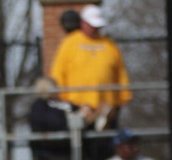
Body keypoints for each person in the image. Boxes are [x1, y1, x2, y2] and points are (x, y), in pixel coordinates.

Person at [48, 5, 131, 140]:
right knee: (82, 144)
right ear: (83, 23)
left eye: (97, 26)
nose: (95, 29)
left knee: (105, 143)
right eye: (92, 25)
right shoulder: (70, 43)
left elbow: (120, 72)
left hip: (106, 106)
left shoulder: (109, 45)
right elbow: (58, 72)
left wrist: (123, 98)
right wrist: (63, 98)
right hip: (78, 106)